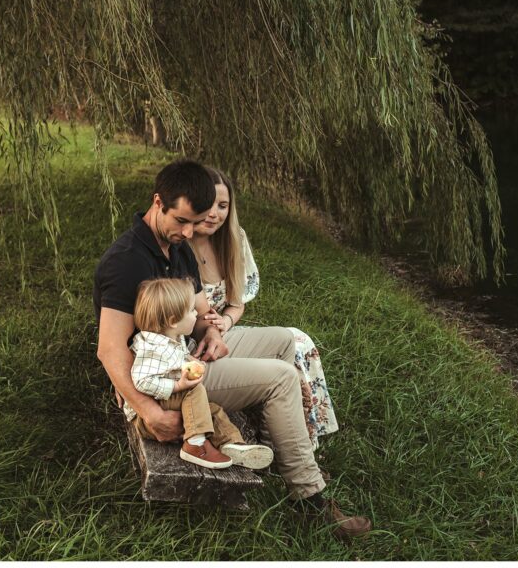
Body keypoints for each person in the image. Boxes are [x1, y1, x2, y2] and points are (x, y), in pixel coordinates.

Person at [94, 159, 371, 542]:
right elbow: (109, 350)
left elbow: (204, 312)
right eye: (183, 221)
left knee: (284, 341)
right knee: (281, 379)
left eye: (197, 222)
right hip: (165, 376)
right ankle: (310, 498)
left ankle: (280, 442)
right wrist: (149, 411)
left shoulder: (178, 248)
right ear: (158, 202)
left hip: (188, 349)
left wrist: (212, 333)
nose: (189, 231)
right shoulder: (126, 261)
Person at [189, 167, 339, 451]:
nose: (214, 214)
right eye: (208, 205)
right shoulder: (180, 243)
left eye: (222, 206)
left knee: (298, 340)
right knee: (281, 360)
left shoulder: (233, 239)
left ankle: (305, 432)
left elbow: (237, 302)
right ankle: (285, 438)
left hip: (223, 331)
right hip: (194, 341)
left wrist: (226, 323)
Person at [128, 277, 274, 470]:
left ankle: (232, 445)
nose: (196, 313)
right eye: (190, 311)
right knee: (195, 392)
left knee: (212, 409)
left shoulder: (173, 337)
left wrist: (190, 362)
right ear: (173, 321)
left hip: (169, 401)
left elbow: (176, 359)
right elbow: (141, 381)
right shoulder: (152, 347)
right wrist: (177, 386)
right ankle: (194, 446)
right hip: (153, 412)